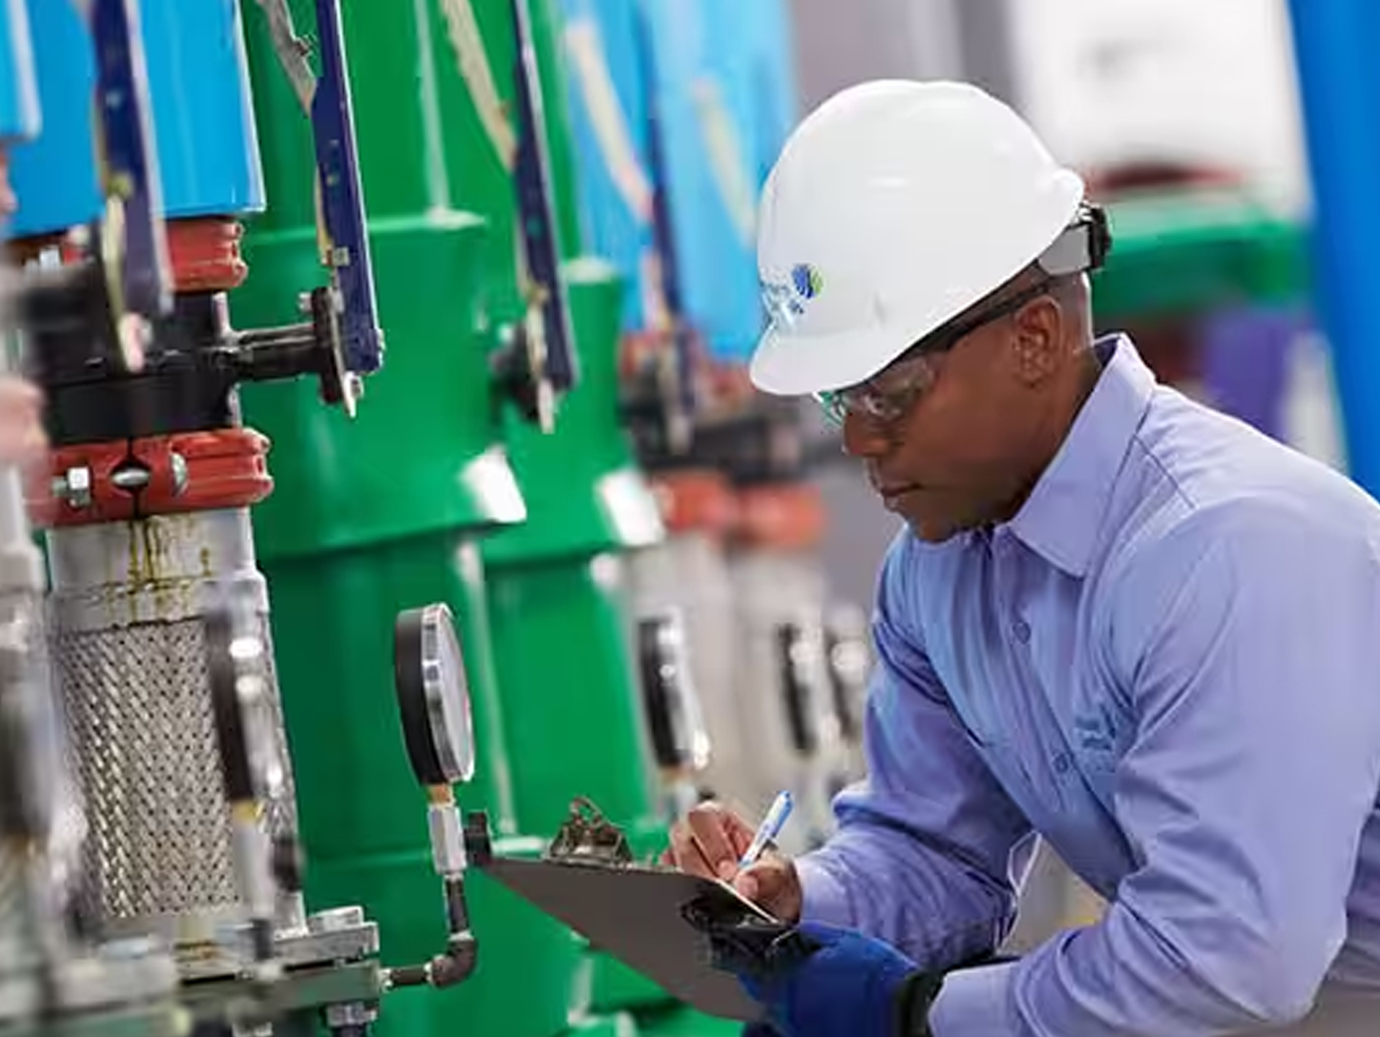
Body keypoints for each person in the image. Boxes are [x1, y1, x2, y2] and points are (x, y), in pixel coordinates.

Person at [667, 79, 1380, 1037]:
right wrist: (801, 899)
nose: (859, 442)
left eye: (888, 393)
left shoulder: (1230, 551)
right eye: (841, 400)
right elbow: (937, 856)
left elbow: (1231, 959)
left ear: (1035, 339)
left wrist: (922, 1016)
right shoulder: (938, 572)